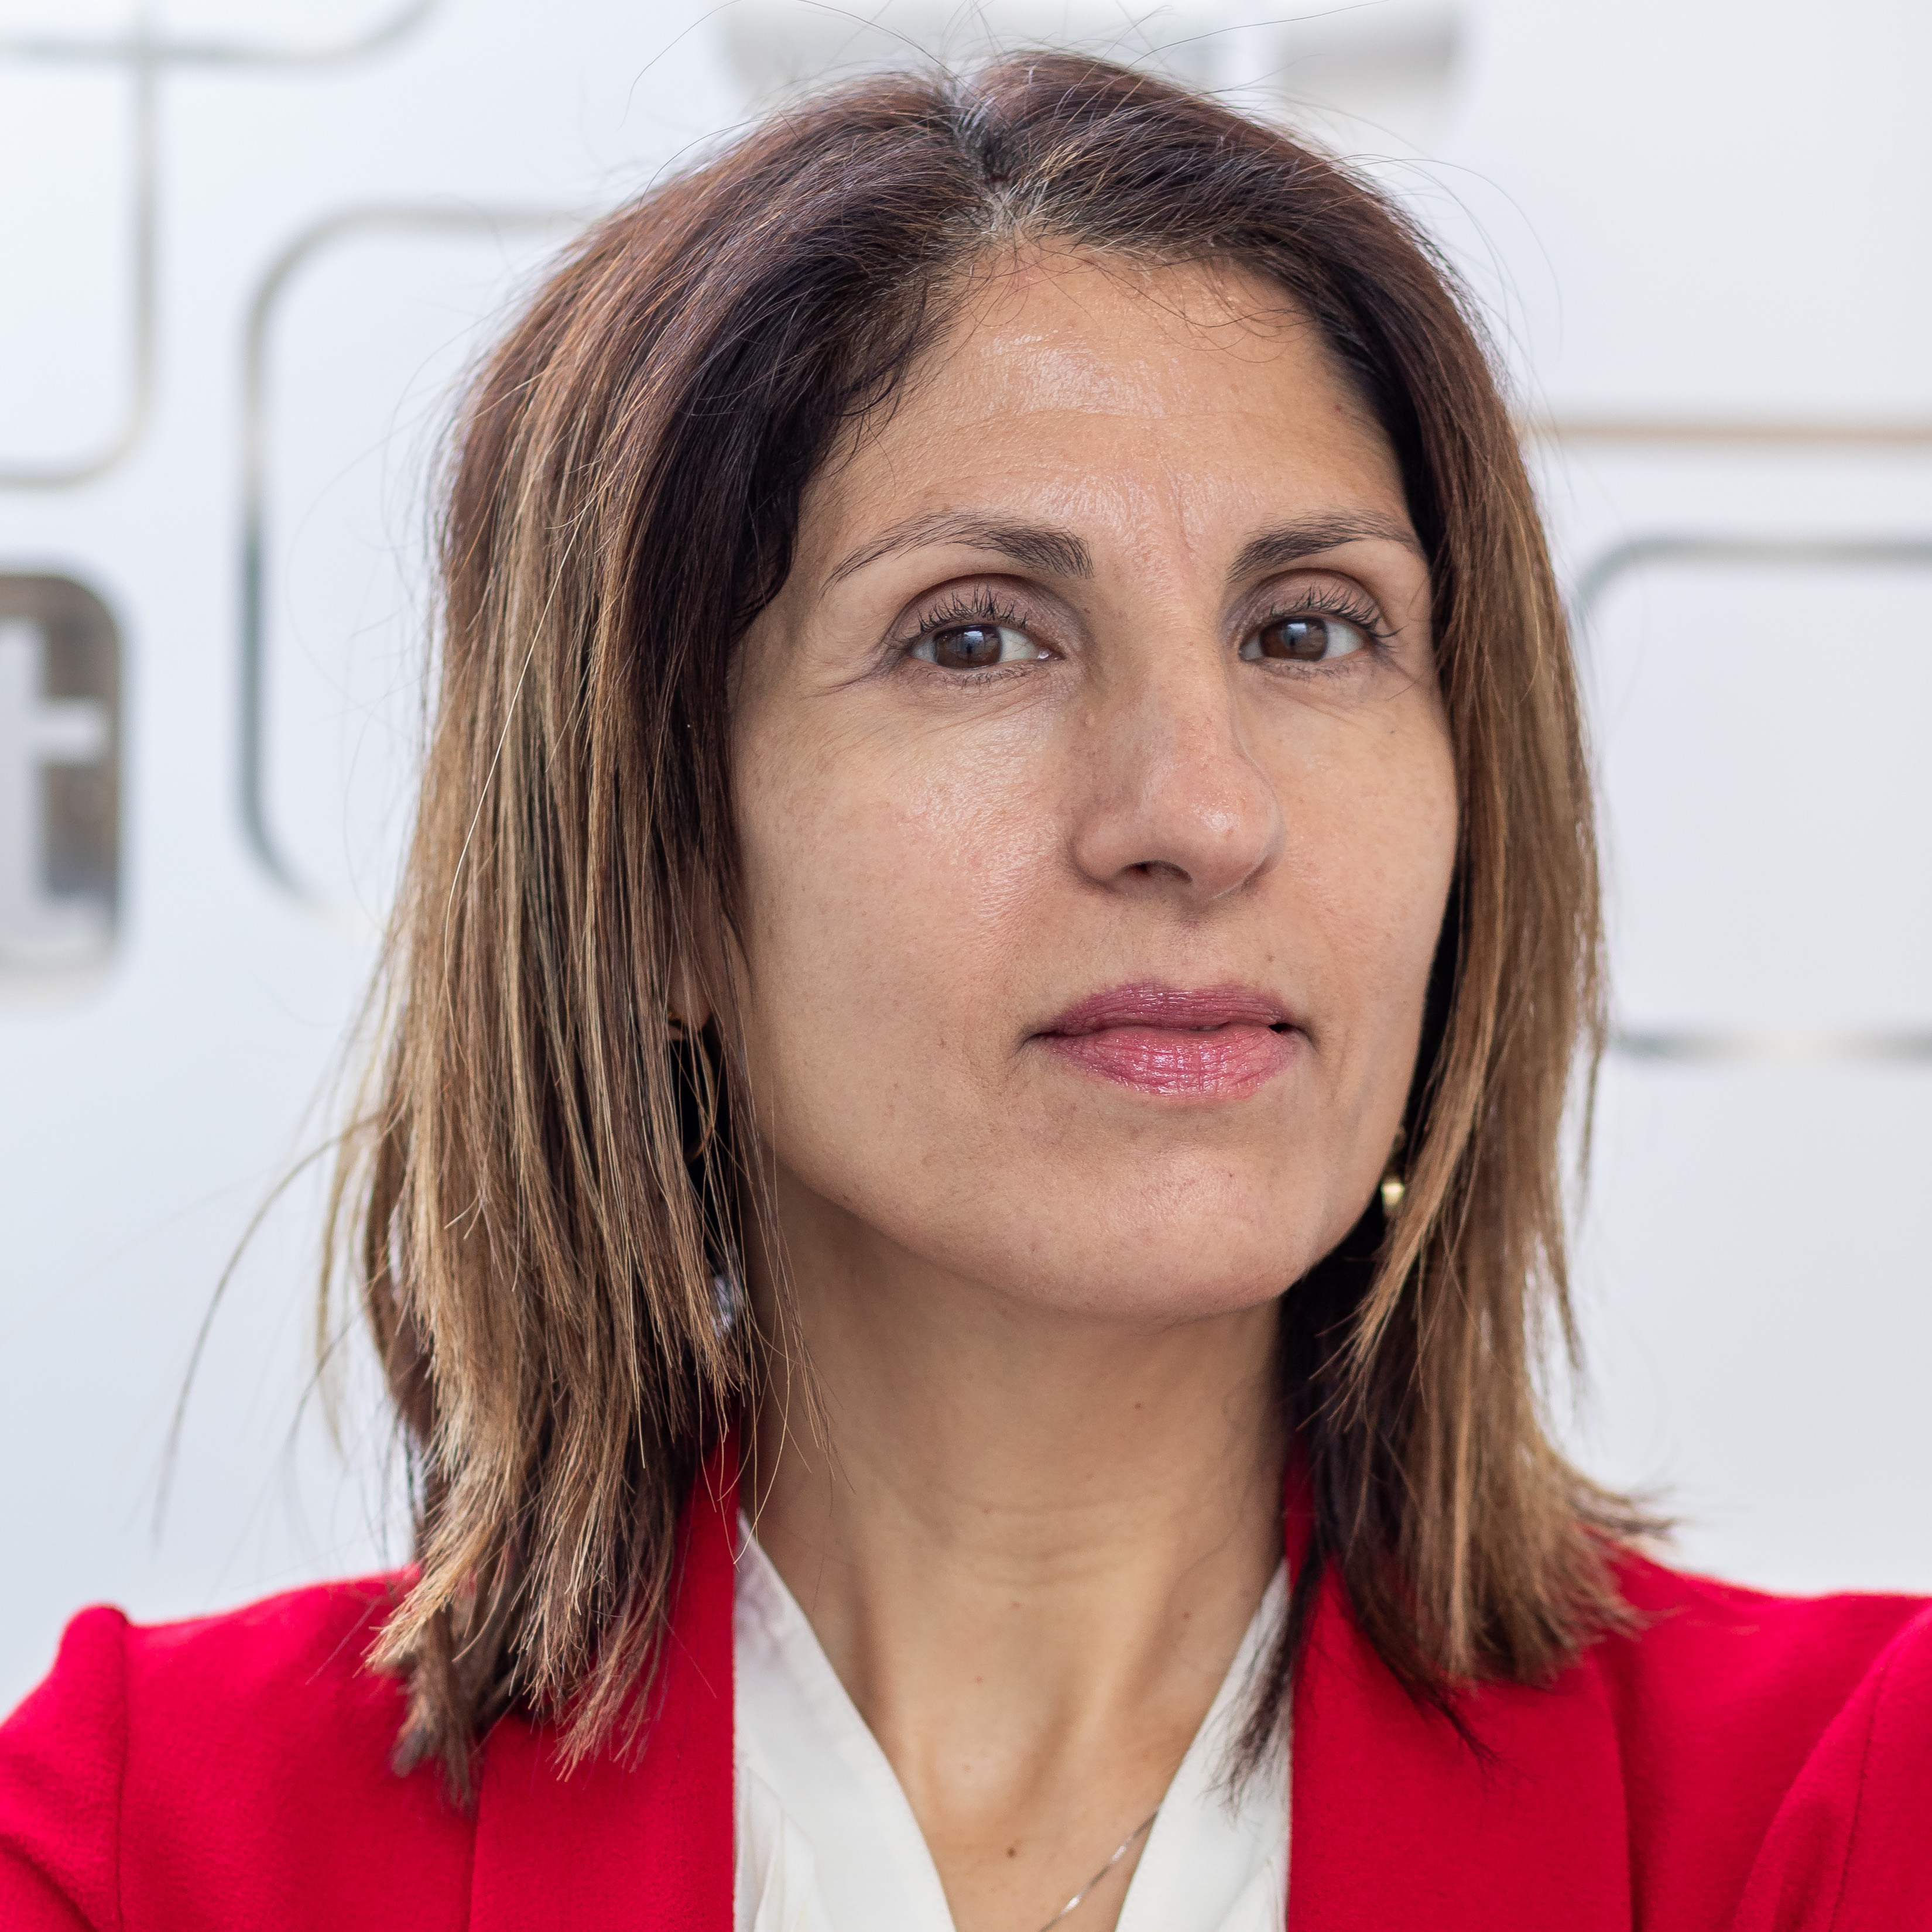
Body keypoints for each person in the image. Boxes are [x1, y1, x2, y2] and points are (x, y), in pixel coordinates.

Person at [2, 51, 1927, 1932]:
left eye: (1307, 629)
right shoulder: (142, 1852)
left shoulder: (1844, 1813)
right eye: (976, 638)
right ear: (648, 861)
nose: (1201, 812)